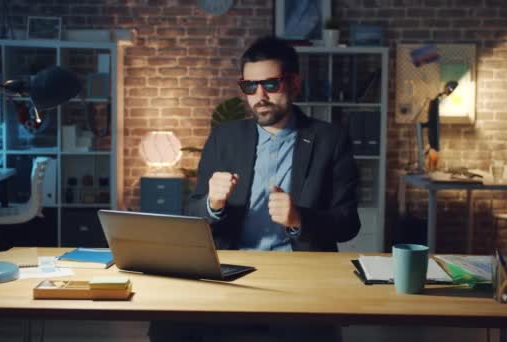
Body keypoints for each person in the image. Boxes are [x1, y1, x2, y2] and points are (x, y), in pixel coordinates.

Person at [149, 35, 360, 342]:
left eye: (271, 84)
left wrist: (299, 219)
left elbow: (348, 223)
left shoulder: (330, 140)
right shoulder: (225, 138)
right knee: (168, 327)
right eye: (250, 86)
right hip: (231, 269)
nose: (259, 95)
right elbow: (192, 211)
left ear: (295, 84)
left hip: (299, 275)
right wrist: (213, 204)